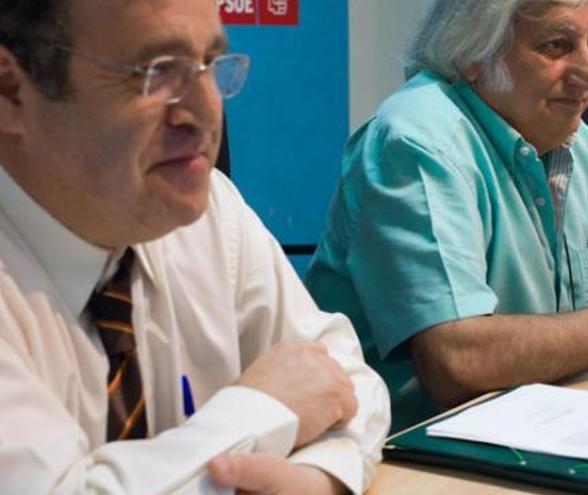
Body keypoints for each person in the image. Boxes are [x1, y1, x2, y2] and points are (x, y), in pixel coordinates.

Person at [0, 0, 389, 493]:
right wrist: (260, 409)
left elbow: (346, 383)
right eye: (157, 71)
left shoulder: (208, 214)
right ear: (11, 91)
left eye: (211, 65)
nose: (207, 112)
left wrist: (317, 478)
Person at [305, 0, 588, 431]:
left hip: (543, 425)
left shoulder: (580, 143)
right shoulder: (416, 142)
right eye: (557, 45)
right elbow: (459, 362)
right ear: (473, 54)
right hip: (403, 453)